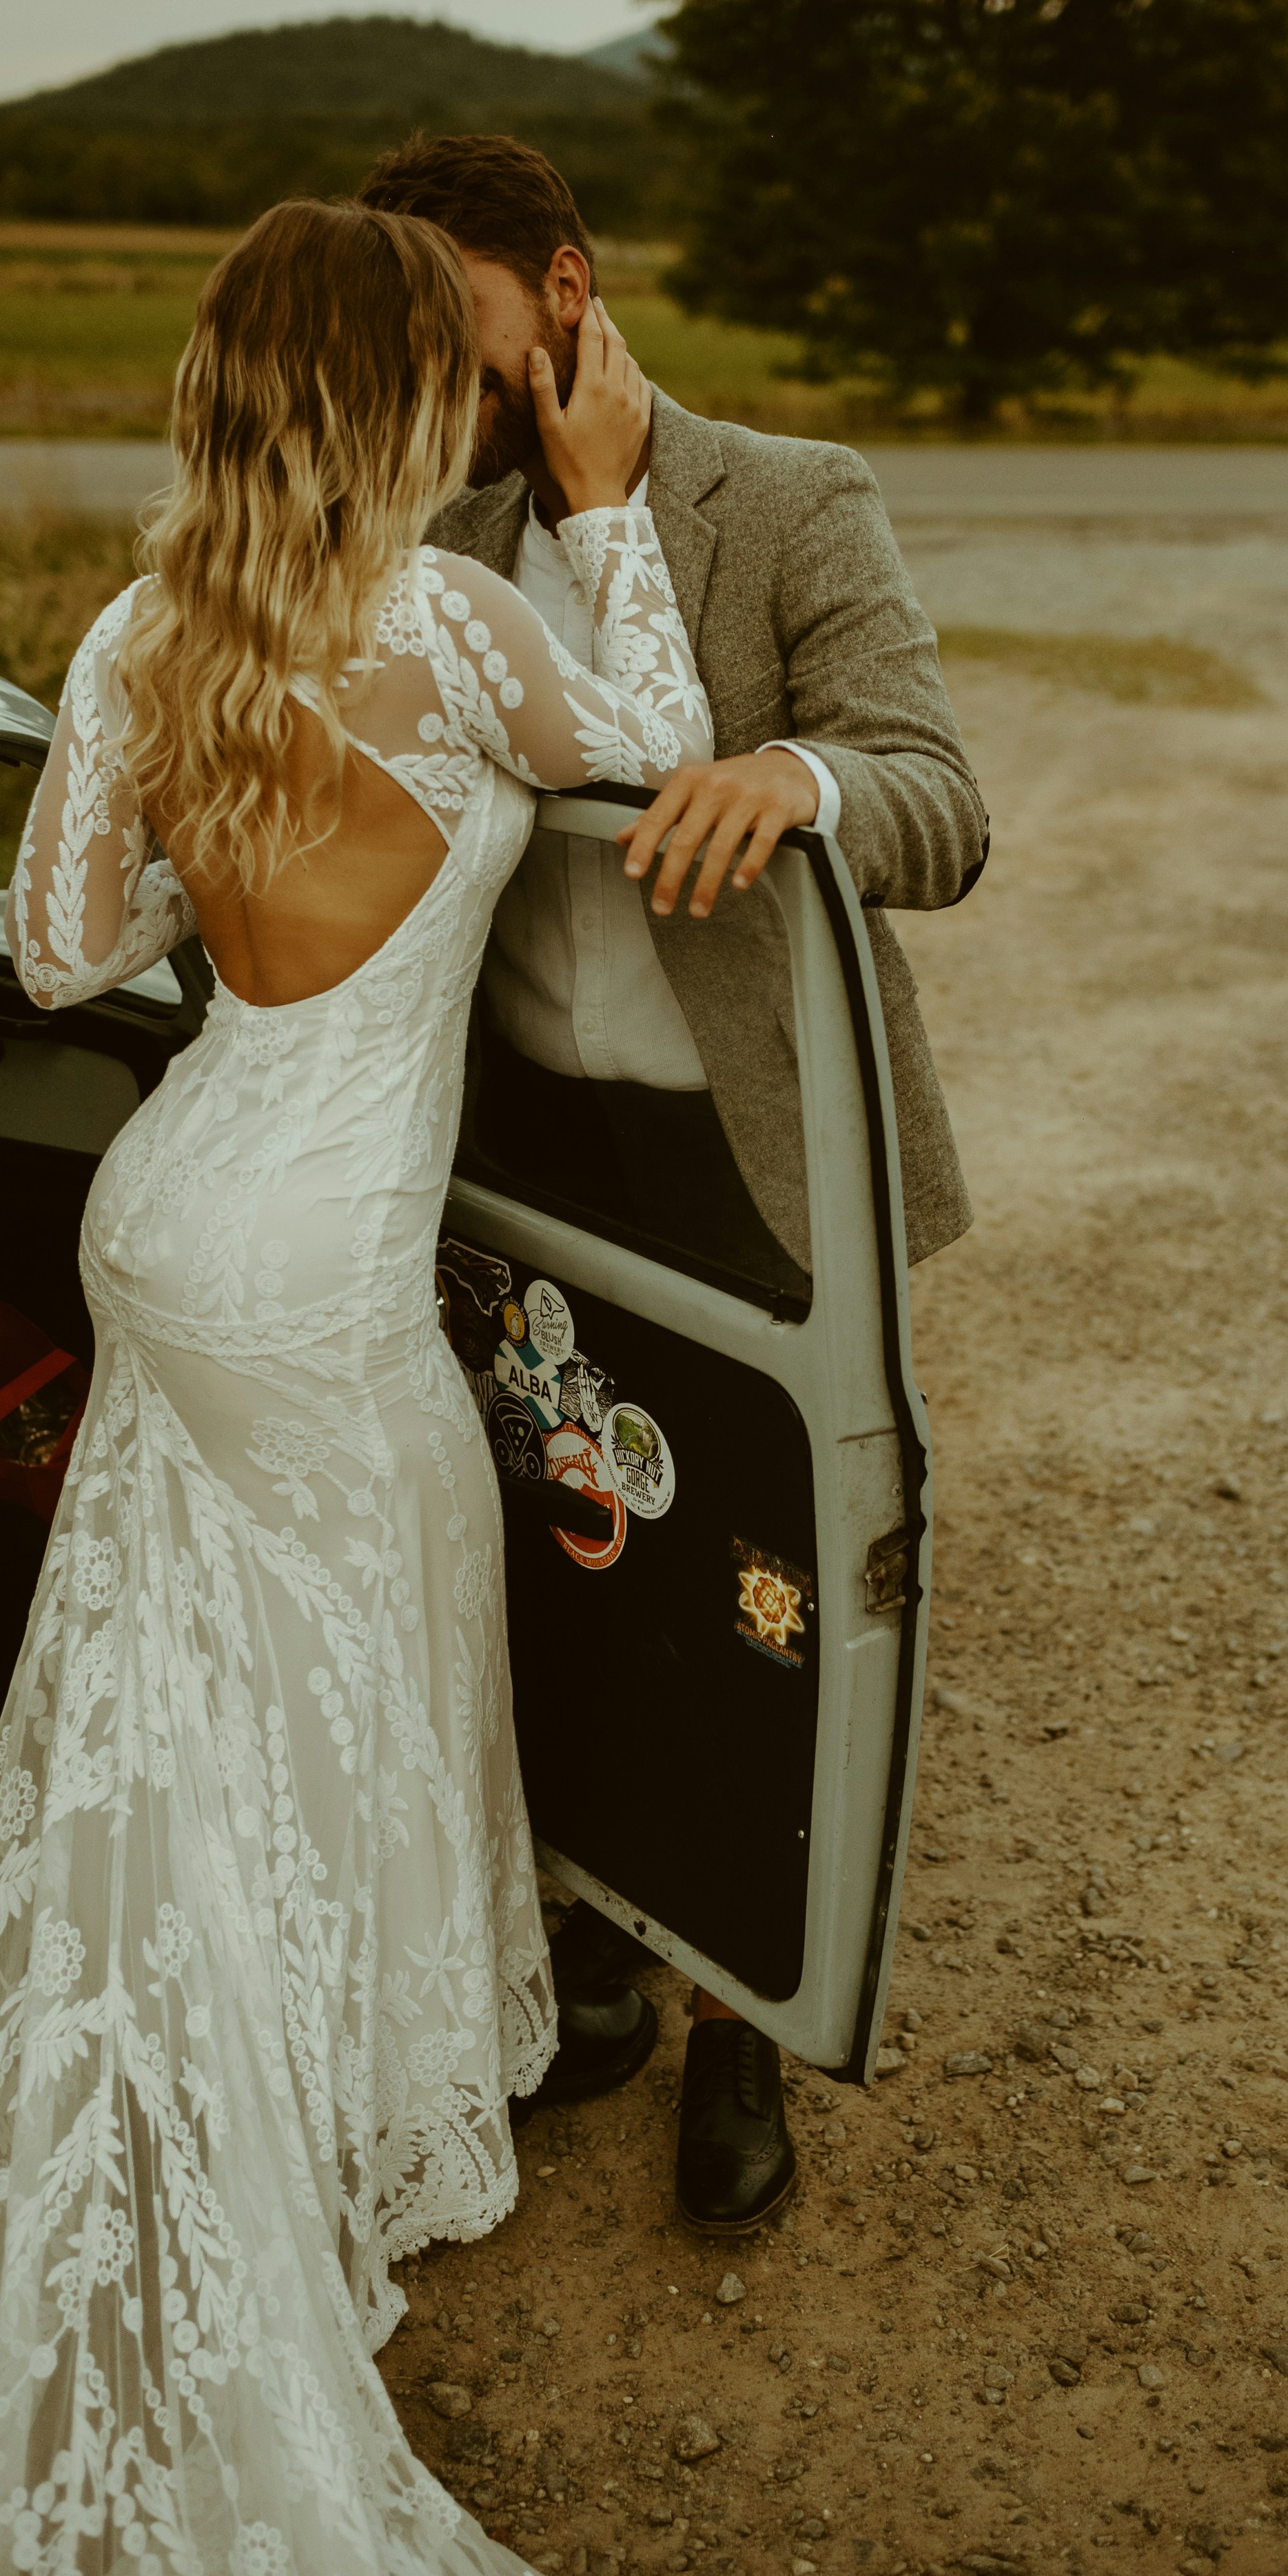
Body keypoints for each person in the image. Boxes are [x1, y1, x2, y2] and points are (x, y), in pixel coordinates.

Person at [0, 196, 796, 2576]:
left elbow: (59, 951)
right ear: (401, 397)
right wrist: (593, 499)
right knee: (371, 1651)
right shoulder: (466, 627)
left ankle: (174, 2070)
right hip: (325, 1259)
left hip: (170, 1219)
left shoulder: (147, 630)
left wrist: (209, 858)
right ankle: (329, 2129)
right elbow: (670, 768)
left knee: (174, 1677)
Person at [358, 132, 989, 2238]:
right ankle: (603, 1956)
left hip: (752, 1157)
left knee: (765, 1591)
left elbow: (938, 792)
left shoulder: (789, 494)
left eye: (453, 325)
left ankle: (747, 2020)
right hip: (528, 1152)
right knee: (570, 1551)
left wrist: (796, 779)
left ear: (565, 284)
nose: (433, 373)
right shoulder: (426, 530)